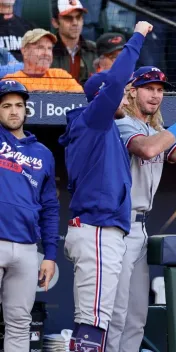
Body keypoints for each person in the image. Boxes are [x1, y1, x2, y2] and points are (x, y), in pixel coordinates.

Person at [104, 67, 176, 352]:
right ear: (132, 91)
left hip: (141, 228)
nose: (155, 95)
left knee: (136, 318)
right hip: (118, 225)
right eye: (148, 88)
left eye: (159, 89)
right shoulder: (123, 123)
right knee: (116, 315)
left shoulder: (156, 130)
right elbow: (147, 149)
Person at [58, 21, 153, 352]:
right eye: (121, 93)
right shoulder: (94, 120)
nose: (126, 98)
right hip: (98, 230)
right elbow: (114, 83)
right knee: (94, 320)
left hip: (102, 230)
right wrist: (137, 35)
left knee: (97, 318)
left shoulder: (105, 128)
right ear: (102, 96)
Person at [0, 79, 59, 350]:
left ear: (26, 110)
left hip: (26, 248)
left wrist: (49, 255)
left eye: (19, 106)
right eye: (6, 106)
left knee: (20, 322)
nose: (14, 111)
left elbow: (50, 208)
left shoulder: (43, 154)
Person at [2, 28, 83, 92]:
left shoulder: (61, 76)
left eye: (49, 48)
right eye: (40, 47)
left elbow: (81, 103)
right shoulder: (11, 81)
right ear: (24, 51)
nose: (46, 53)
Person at [51, 0, 97, 85]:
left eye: (79, 17)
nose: (75, 23)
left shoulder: (94, 50)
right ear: (55, 23)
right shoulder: (47, 52)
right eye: (68, 18)